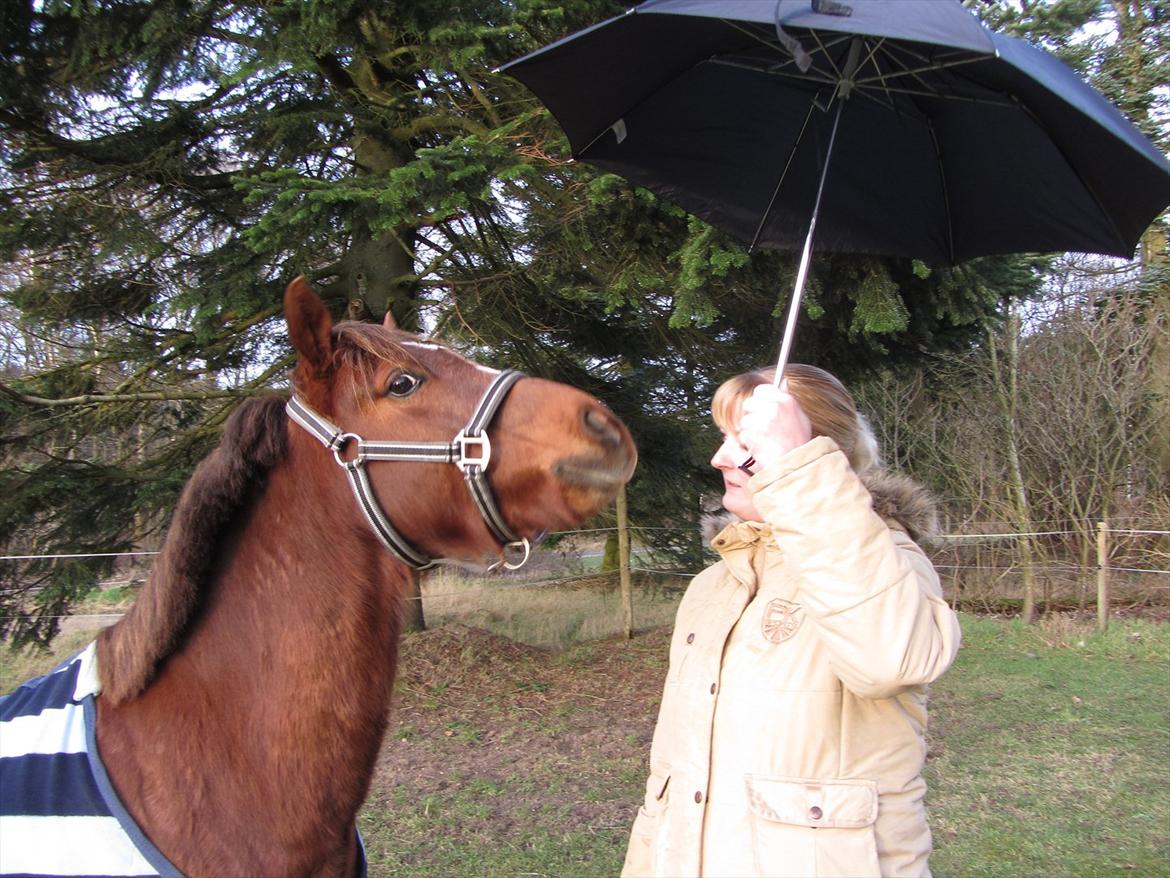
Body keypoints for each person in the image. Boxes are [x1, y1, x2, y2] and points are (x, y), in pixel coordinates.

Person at [622, 364, 961, 878]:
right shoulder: (711, 588)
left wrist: (799, 474)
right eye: (722, 438)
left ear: (813, 453)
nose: (719, 458)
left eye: (747, 440)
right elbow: (671, 779)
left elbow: (890, 662)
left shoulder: (889, 567)